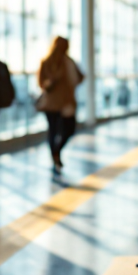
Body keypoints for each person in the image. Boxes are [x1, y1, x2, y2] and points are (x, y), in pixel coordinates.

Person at [35, 36, 84, 174]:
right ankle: (55, 156)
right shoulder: (48, 62)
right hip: (52, 103)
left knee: (69, 129)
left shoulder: (69, 62)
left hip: (67, 102)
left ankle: (56, 151)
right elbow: (41, 82)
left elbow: (80, 77)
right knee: (53, 130)